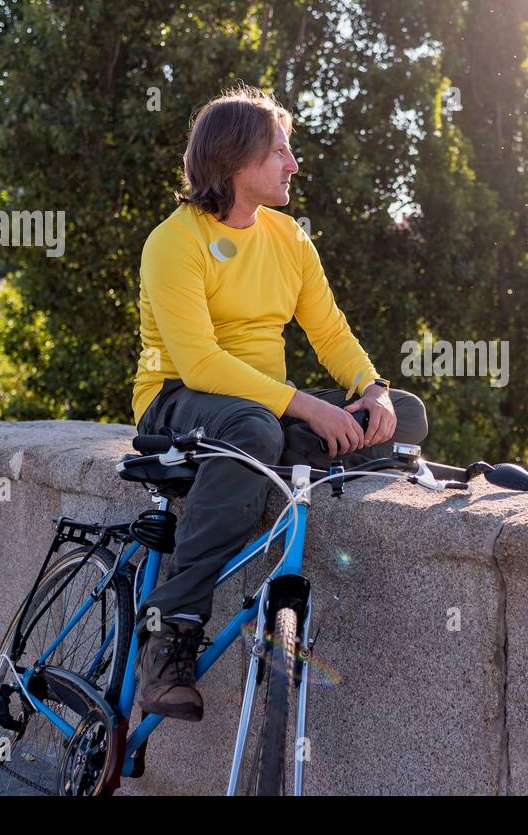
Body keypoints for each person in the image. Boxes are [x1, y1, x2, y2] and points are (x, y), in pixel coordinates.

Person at [130, 86, 428, 721]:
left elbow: (330, 334)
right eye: (279, 152)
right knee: (256, 431)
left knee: (403, 417)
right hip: (175, 400)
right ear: (235, 161)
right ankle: (169, 634)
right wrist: (310, 409)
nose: (292, 164)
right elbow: (200, 363)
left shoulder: (290, 238)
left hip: (262, 411)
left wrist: (369, 390)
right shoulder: (174, 241)